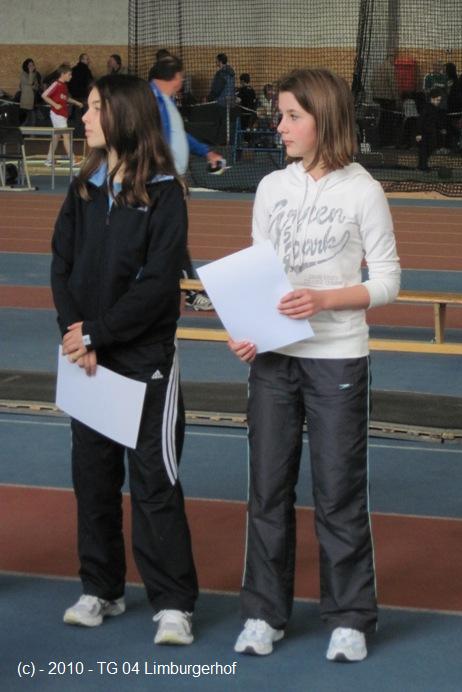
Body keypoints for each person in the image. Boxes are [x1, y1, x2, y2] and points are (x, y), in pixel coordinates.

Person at [228, 68, 400, 662]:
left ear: (323, 118)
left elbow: (389, 281)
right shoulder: (270, 188)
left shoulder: (364, 191)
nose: (279, 127)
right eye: (280, 116)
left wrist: (325, 300)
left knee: (338, 493)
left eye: (291, 116)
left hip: (337, 360)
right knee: (267, 490)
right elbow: (258, 275)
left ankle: (349, 617)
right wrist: (248, 331)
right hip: (273, 363)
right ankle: (262, 614)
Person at [51, 74, 198, 646]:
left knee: (155, 484)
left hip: (144, 362)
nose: (83, 117)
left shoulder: (165, 192)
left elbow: (159, 285)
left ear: (124, 116)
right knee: (92, 481)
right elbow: (61, 264)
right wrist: (76, 336)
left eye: (93, 108)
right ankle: (101, 588)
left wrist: (98, 334)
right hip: (87, 360)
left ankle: (174, 603)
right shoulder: (83, 186)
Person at [149, 55, 223, 311]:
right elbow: (152, 141)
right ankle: (190, 292)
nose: (182, 81)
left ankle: (188, 290)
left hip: (169, 181)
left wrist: (206, 152)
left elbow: (179, 134)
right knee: (171, 237)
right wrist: (167, 176)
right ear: (173, 76)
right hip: (160, 183)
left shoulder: (166, 101)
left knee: (169, 237)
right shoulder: (149, 101)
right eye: (181, 76)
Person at [41, 64, 83, 166]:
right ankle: (72, 159)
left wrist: (76, 102)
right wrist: (55, 105)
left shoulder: (64, 86)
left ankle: (49, 160)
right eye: (69, 74)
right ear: (63, 74)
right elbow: (44, 95)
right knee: (66, 135)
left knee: (56, 137)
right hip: (57, 114)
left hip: (62, 114)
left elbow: (66, 98)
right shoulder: (56, 84)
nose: (71, 77)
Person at [415, 87, 447, 172]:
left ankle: (421, 166)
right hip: (423, 133)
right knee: (424, 150)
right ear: (432, 98)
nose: (438, 102)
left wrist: (441, 128)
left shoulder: (435, 109)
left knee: (430, 148)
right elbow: (420, 120)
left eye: (439, 100)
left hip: (431, 133)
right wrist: (418, 133)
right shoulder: (426, 108)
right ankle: (422, 166)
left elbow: (436, 120)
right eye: (437, 100)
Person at [19, 58, 42, 125]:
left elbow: (36, 85)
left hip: (34, 100)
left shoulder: (35, 74)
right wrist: (31, 72)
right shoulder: (23, 74)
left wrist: (34, 86)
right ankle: (23, 130)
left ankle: (26, 130)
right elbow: (30, 82)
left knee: (31, 120)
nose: (31, 67)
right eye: (30, 65)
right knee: (30, 120)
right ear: (26, 66)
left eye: (32, 65)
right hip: (27, 101)